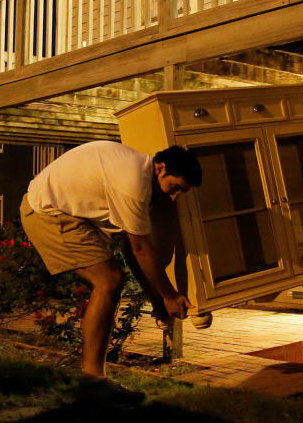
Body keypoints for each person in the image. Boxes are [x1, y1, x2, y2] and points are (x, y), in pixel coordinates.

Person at [20, 140, 202, 379]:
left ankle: (93, 377)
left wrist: (158, 301)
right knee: (108, 282)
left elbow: (131, 250)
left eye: (182, 192)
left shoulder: (138, 171)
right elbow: (141, 250)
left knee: (111, 281)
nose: (176, 197)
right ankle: (93, 379)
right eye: (175, 187)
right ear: (161, 168)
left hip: (67, 212)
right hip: (47, 213)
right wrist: (170, 296)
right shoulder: (133, 184)